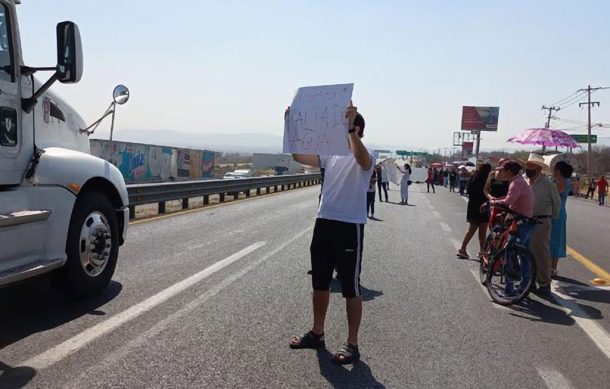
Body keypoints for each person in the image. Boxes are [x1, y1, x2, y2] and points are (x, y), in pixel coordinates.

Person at [288, 103, 375, 365]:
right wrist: (292, 127)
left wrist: (349, 131)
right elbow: (298, 157)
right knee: (320, 282)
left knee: (350, 287)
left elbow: (363, 160)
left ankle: (352, 344)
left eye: (343, 127)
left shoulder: (367, 153)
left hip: (349, 226)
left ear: (355, 127)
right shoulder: (331, 155)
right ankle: (317, 332)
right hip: (324, 221)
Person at [487, 160, 535, 295]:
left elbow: (508, 201)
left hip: (520, 222)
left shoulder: (516, 182)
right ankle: (524, 286)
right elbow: (511, 198)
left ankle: (509, 290)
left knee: (510, 254)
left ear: (509, 171)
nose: (501, 172)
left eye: (503, 170)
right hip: (526, 220)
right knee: (524, 256)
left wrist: (492, 202)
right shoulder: (521, 180)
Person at [524, 153, 561, 295]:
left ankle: (544, 282)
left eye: (532, 166)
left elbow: (556, 202)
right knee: (525, 251)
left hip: (541, 220)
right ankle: (529, 280)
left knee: (541, 252)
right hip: (524, 220)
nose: (528, 169)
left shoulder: (547, 184)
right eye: (528, 165)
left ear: (539, 169)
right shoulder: (524, 180)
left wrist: (552, 217)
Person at [457, 163, 492, 259]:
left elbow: (468, 191)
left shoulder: (473, 177)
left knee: (471, 230)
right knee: (482, 232)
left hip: (472, 205)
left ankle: (462, 249)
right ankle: (482, 252)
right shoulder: (487, 179)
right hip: (483, 206)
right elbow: (489, 192)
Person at [550, 161, 573, 277]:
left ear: (558, 170)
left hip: (557, 215)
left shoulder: (562, 181)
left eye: (553, 169)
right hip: (554, 214)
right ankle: (550, 267)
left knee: (555, 241)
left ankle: (552, 268)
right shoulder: (556, 181)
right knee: (551, 241)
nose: (552, 171)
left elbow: (552, 194)